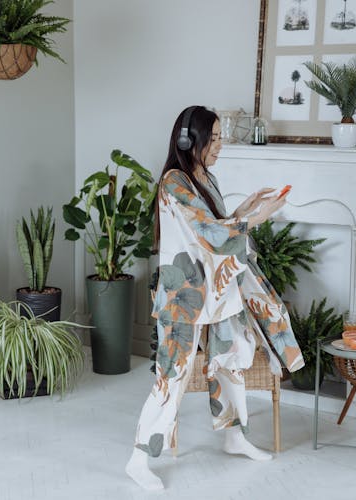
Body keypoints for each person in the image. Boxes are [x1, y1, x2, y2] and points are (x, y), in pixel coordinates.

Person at [125, 106, 305, 490]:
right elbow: (207, 233)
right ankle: (139, 458)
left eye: (222, 137)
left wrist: (245, 208)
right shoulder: (174, 181)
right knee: (171, 375)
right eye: (216, 137)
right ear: (190, 140)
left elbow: (217, 224)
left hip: (218, 289)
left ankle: (233, 435)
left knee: (232, 356)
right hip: (184, 293)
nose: (221, 144)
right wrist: (259, 218)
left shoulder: (204, 176)